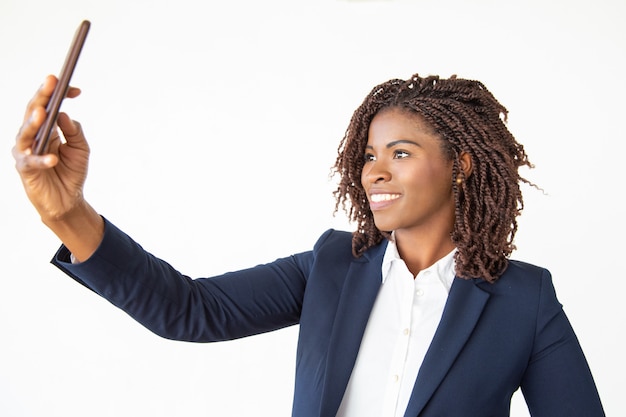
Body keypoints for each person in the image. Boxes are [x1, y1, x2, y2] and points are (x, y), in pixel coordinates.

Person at [13, 73, 605, 417]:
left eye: (401, 153)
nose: (374, 171)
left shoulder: (523, 299)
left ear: (461, 165)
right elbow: (188, 309)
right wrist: (67, 212)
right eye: (370, 155)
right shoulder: (331, 265)